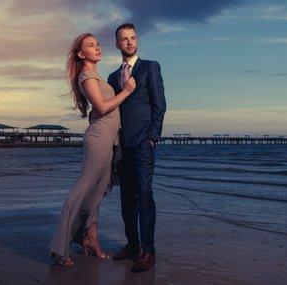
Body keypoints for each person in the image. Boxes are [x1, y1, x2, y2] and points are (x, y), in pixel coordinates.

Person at [48, 33, 136, 267]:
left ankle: (91, 239)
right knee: (82, 192)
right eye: (90, 45)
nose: (96, 47)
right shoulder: (87, 76)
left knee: (96, 194)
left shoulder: (97, 77)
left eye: (97, 44)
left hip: (109, 141)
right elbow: (102, 107)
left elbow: (101, 109)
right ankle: (60, 247)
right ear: (80, 54)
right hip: (98, 141)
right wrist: (126, 92)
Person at [107, 23, 166, 273]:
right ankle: (132, 246)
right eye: (124, 39)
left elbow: (159, 104)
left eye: (133, 38)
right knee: (126, 198)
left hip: (143, 143)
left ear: (137, 40)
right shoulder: (112, 77)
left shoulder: (150, 67)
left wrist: (152, 136)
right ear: (117, 44)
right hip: (122, 145)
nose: (129, 42)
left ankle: (148, 250)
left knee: (144, 194)